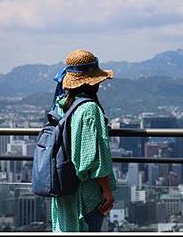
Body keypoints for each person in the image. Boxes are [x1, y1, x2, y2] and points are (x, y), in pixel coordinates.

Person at [50, 49, 117, 232]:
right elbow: (93, 157)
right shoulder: (89, 109)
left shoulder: (61, 104)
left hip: (63, 184)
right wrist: (107, 191)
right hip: (85, 191)